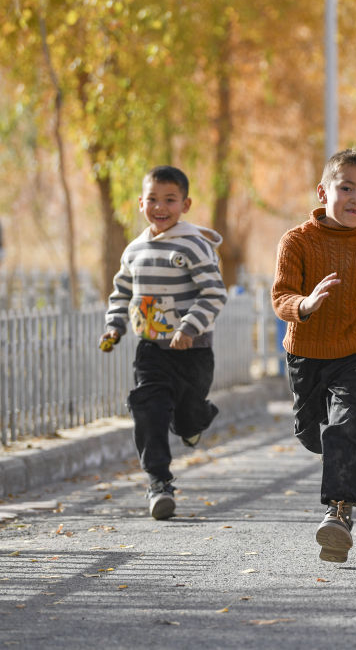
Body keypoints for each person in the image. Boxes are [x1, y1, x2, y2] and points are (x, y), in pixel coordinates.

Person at [271, 148, 356, 564]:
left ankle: (339, 513)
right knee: (313, 436)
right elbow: (281, 296)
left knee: (345, 427)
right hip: (307, 357)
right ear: (323, 192)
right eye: (346, 188)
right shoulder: (297, 241)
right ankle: (353, 448)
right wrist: (306, 304)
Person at [100, 165, 228, 521]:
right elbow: (121, 293)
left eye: (170, 200)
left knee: (188, 417)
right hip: (151, 350)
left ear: (185, 205)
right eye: (153, 199)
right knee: (149, 408)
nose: (160, 207)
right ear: (141, 203)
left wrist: (188, 328)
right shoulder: (134, 250)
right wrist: (114, 327)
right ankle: (159, 483)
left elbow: (214, 292)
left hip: (192, 351)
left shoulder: (194, 245)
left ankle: (196, 422)